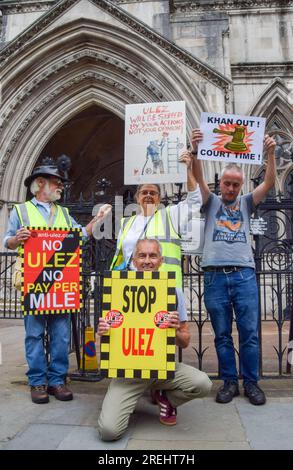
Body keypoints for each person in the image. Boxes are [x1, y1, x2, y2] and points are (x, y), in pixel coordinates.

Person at [4, 161, 110, 405]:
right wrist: (15, 240)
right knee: (34, 334)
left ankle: (57, 380)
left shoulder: (62, 213)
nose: (61, 185)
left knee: (61, 335)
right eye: (56, 181)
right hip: (35, 282)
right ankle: (38, 381)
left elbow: (81, 235)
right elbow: (6, 241)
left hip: (61, 283)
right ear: (40, 184)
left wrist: (98, 218)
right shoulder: (20, 211)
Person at [191, 129, 276, 406]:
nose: (230, 188)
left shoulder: (247, 203)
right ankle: (229, 382)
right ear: (221, 183)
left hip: (243, 275)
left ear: (240, 186)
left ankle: (250, 383)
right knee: (223, 335)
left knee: (249, 334)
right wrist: (195, 151)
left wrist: (271, 155)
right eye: (227, 183)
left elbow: (270, 182)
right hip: (214, 276)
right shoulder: (211, 202)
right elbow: (198, 180)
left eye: (235, 185)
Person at [97, 238, 212, 441]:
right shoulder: (118, 287)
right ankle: (127, 398)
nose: (147, 261)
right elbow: (106, 337)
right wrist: (103, 330)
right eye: (142, 255)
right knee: (108, 432)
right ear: (133, 259)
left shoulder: (173, 292)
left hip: (161, 367)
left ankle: (166, 398)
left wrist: (175, 330)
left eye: (153, 256)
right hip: (128, 372)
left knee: (203, 383)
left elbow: (185, 341)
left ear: (161, 260)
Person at [111, 150, 202, 289]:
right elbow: (121, 258)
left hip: (164, 286)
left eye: (153, 193)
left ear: (159, 198)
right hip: (131, 287)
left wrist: (188, 171)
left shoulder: (170, 215)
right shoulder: (126, 223)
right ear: (137, 197)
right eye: (144, 192)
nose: (148, 195)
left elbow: (195, 200)